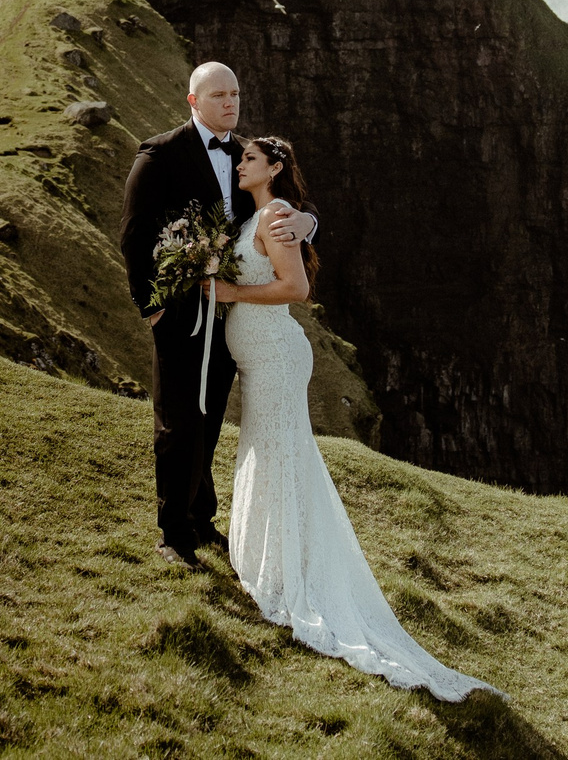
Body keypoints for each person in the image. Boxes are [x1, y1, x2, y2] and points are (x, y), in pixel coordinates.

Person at [209, 134, 495, 701]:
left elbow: (297, 286)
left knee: (281, 454)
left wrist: (227, 290)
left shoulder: (277, 214)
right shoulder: (262, 215)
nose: (240, 164)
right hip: (259, 356)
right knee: (268, 452)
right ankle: (269, 559)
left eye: (249, 159)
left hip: (275, 355)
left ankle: (289, 574)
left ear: (275, 167)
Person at [120, 61, 314, 567]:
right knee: (178, 421)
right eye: (219, 95)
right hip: (180, 315)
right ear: (194, 101)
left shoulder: (246, 153)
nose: (230, 103)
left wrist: (308, 221)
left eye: (235, 94)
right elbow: (135, 238)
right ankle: (173, 535)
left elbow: (283, 202)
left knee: (208, 422)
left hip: (234, 319)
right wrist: (153, 310)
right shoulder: (159, 155)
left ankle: (201, 521)